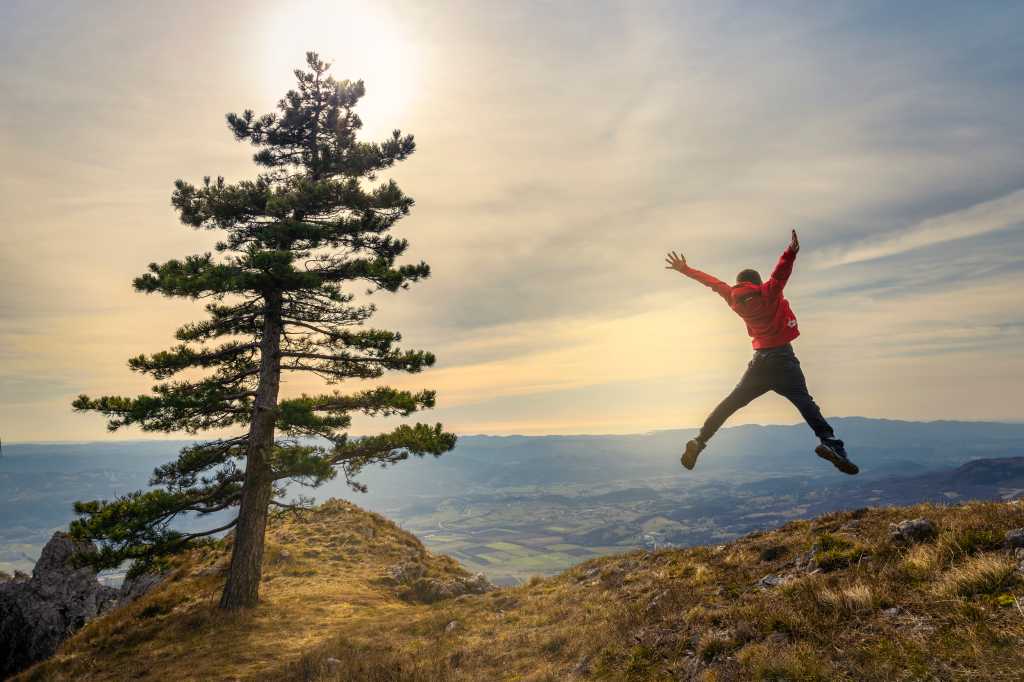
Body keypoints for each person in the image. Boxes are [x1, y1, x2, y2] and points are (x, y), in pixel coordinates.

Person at [665, 230, 858, 475]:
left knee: (730, 404)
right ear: (757, 282)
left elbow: (712, 282)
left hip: (759, 364)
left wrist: (685, 269)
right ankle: (830, 443)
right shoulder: (767, 293)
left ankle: (700, 440)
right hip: (783, 360)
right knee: (805, 403)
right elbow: (780, 275)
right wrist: (790, 252)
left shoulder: (732, 297)